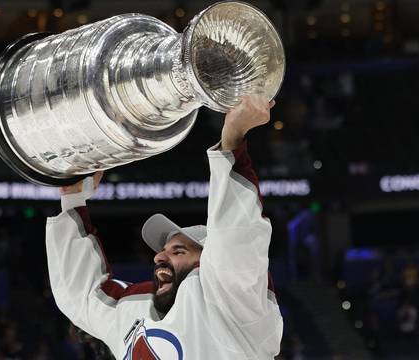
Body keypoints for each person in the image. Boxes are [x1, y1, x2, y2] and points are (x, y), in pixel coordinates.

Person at [45, 96, 283, 359]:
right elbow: (82, 296)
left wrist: (232, 141)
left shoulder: (234, 305)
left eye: (179, 251)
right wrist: (72, 199)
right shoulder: (134, 313)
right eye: (165, 250)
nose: (159, 256)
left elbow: (235, 239)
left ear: (210, 263)